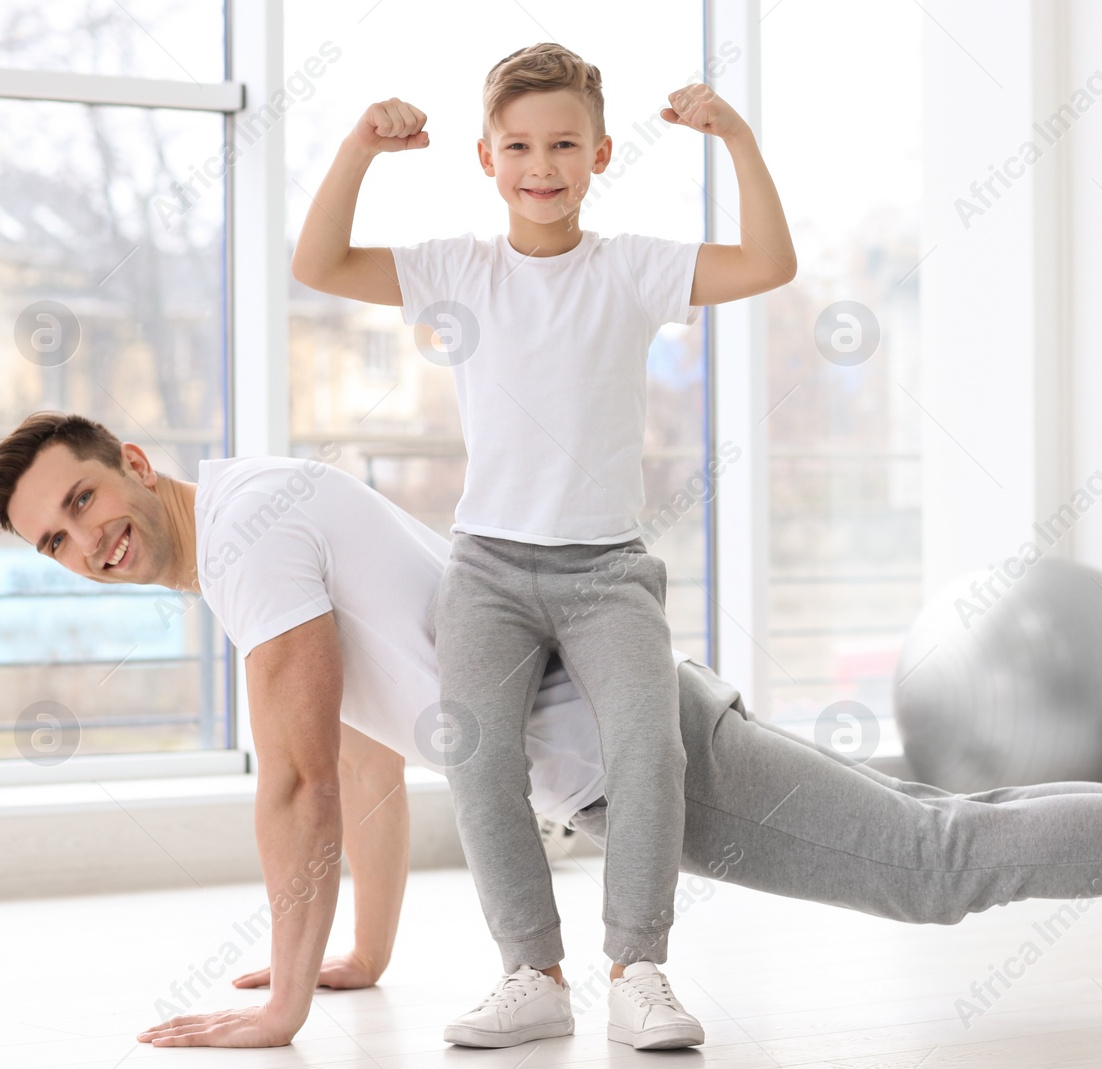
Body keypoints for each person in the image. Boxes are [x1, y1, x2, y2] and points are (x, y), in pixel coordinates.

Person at [0, 413, 1102, 1051]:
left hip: (617, 743)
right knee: (945, 838)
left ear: (132, 463)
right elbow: (359, 752)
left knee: (939, 863)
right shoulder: (253, 520)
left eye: (87, 500)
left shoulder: (248, 535)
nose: (86, 538)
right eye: (55, 540)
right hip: (627, 719)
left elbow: (290, 780)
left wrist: (275, 1005)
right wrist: (357, 956)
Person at [287, 42, 796, 1050]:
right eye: (518, 144)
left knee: (651, 751)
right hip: (488, 566)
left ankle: (638, 969)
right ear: (485, 158)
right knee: (477, 759)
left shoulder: (632, 268)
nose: (541, 163)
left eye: (563, 143)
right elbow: (317, 263)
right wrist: (357, 147)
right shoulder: (456, 270)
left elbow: (770, 263)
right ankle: (530, 972)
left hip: (608, 570)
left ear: (600, 152)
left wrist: (734, 137)